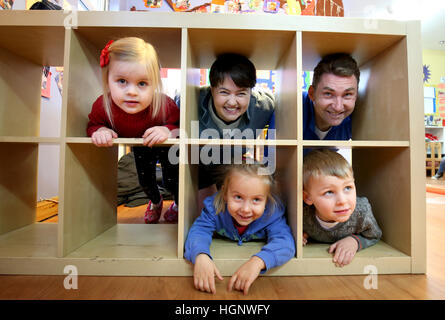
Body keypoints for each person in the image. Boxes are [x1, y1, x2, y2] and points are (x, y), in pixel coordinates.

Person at [86, 37, 180, 224]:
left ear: (154, 84)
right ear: (107, 81)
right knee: (145, 182)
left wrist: (167, 130)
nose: (132, 92)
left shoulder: (163, 104)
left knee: (172, 180)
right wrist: (100, 130)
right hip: (141, 146)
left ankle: (177, 203)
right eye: (122, 81)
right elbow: (93, 124)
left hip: (166, 146)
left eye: (142, 84)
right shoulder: (103, 105)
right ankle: (155, 201)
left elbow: (178, 123)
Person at [184, 161, 295, 295]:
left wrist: (258, 262)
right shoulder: (214, 209)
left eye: (256, 200)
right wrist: (200, 255)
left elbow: (285, 243)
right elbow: (198, 231)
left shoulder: (271, 214)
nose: (246, 209)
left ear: (267, 199)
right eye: (238, 197)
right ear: (225, 193)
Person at [198, 53, 276, 209]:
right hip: (199, 163)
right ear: (212, 90)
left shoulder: (264, 107)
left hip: (232, 162)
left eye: (241, 93)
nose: (232, 102)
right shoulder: (192, 101)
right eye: (224, 92)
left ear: (251, 92)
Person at [302, 149, 382, 267]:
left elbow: (375, 234)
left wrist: (355, 241)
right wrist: (299, 234)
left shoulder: (361, 211)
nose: (342, 201)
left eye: (348, 188)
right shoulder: (302, 215)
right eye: (329, 192)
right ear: (307, 197)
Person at [303, 53, 360, 142]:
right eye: (328, 94)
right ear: (312, 93)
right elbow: (272, 153)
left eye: (347, 94)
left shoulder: (356, 119)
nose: (338, 107)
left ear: (357, 95)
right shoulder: (291, 111)